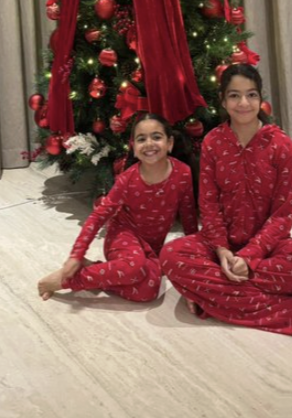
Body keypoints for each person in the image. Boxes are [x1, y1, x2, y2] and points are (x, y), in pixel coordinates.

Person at [160, 64, 292, 336]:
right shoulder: (213, 142)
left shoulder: (282, 145)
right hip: (219, 247)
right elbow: (208, 204)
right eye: (234, 95)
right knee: (171, 255)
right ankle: (289, 309)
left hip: (267, 248)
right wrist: (223, 251)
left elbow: (283, 215)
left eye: (251, 94)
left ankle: (208, 298)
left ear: (260, 98)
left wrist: (248, 257)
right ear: (223, 101)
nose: (244, 103)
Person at [38, 114, 196, 302]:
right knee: (134, 267)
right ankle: (65, 281)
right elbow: (98, 217)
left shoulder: (183, 173)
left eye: (156, 137)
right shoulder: (127, 179)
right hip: (123, 237)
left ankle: (94, 268)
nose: (149, 144)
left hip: (152, 248)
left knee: (148, 291)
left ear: (169, 143)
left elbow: (188, 215)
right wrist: (76, 256)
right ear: (134, 148)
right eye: (141, 139)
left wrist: (194, 253)